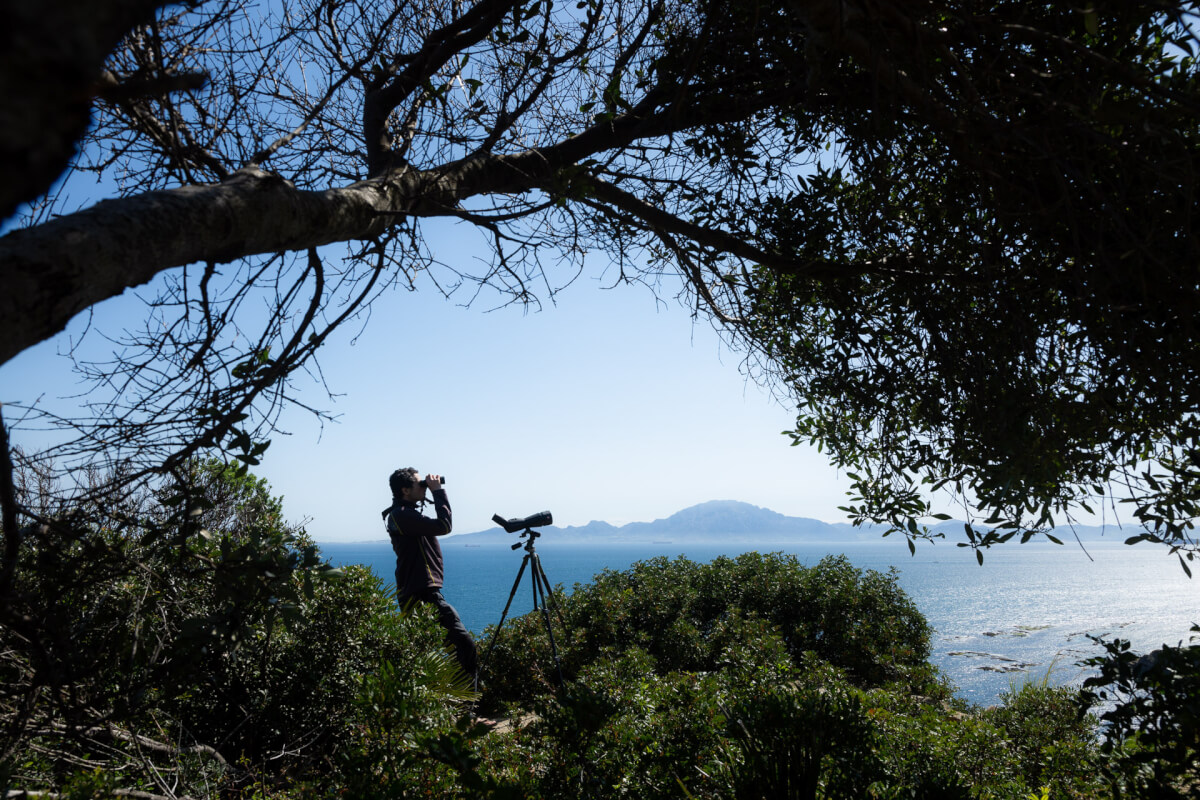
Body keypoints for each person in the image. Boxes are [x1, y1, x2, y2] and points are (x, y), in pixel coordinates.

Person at [383, 467, 478, 681]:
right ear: (405, 490)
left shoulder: (406, 514)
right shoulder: (401, 515)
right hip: (420, 593)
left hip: (419, 591)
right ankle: (466, 710)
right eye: (420, 484)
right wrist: (438, 491)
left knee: (452, 648)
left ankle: (456, 708)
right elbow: (444, 526)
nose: (424, 486)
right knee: (464, 645)